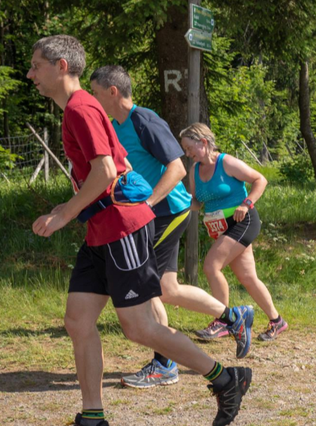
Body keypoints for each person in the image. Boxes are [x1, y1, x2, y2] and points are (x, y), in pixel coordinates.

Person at [27, 35, 250, 426]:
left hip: (121, 229)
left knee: (140, 327)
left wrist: (65, 214)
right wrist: (76, 206)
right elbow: (120, 162)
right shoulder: (81, 110)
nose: (30, 74)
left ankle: (226, 378)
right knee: (78, 321)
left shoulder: (81, 108)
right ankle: (93, 416)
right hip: (100, 229)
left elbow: (107, 170)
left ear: (62, 66)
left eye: (36, 66)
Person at [90, 65, 254, 388]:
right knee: (167, 288)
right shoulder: (113, 126)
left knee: (146, 282)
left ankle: (164, 363)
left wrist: (148, 204)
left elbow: (178, 168)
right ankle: (233, 317)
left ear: (112, 92)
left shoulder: (144, 120)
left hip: (165, 210)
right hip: (150, 214)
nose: (92, 99)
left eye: (95, 92)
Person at [180, 123, 289, 346]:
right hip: (220, 227)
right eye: (185, 149)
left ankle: (224, 321)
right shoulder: (195, 170)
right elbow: (197, 202)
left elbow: (260, 179)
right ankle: (277, 321)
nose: (187, 153)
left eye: (190, 148)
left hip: (242, 221)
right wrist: (174, 202)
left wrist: (247, 203)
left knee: (211, 266)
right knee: (248, 277)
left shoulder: (226, 162)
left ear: (203, 142)